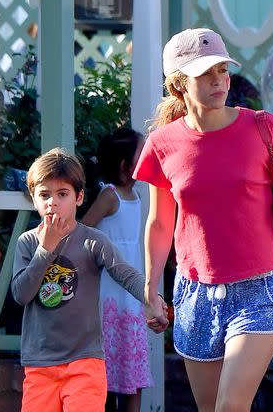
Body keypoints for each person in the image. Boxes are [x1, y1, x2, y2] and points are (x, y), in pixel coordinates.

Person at [135, 28, 273, 412]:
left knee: (230, 405)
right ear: (178, 85)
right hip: (195, 292)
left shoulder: (262, 127)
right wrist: (152, 290)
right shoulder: (162, 144)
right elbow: (159, 224)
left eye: (222, 70)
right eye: (205, 73)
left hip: (261, 288)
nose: (219, 80)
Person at [11, 148, 167, 412]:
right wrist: (45, 249)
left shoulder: (92, 240)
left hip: (85, 361)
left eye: (62, 194)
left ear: (79, 197)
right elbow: (21, 294)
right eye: (44, 195)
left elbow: (125, 273)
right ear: (34, 199)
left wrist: (152, 298)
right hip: (40, 363)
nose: (52, 203)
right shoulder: (27, 242)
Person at [81, 128, 150, 412]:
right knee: (105, 374)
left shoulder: (135, 195)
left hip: (130, 295)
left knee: (132, 374)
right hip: (108, 292)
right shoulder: (110, 196)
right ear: (124, 165)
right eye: (141, 153)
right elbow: (82, 229)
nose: (148, 157)